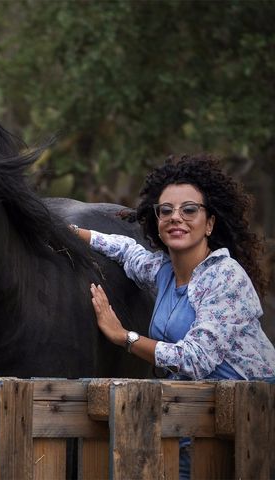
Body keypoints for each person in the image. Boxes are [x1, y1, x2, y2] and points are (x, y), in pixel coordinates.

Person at [71, 153, 275, 478]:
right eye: (166, 211)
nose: (175, 217)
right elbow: (127, 250)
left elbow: (195, 359)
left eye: (189, 210)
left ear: (210, 223)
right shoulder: (164, 272)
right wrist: (73, 232)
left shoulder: (225, 277)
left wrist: (123, 336)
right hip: (192, 417)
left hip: (250, 420)